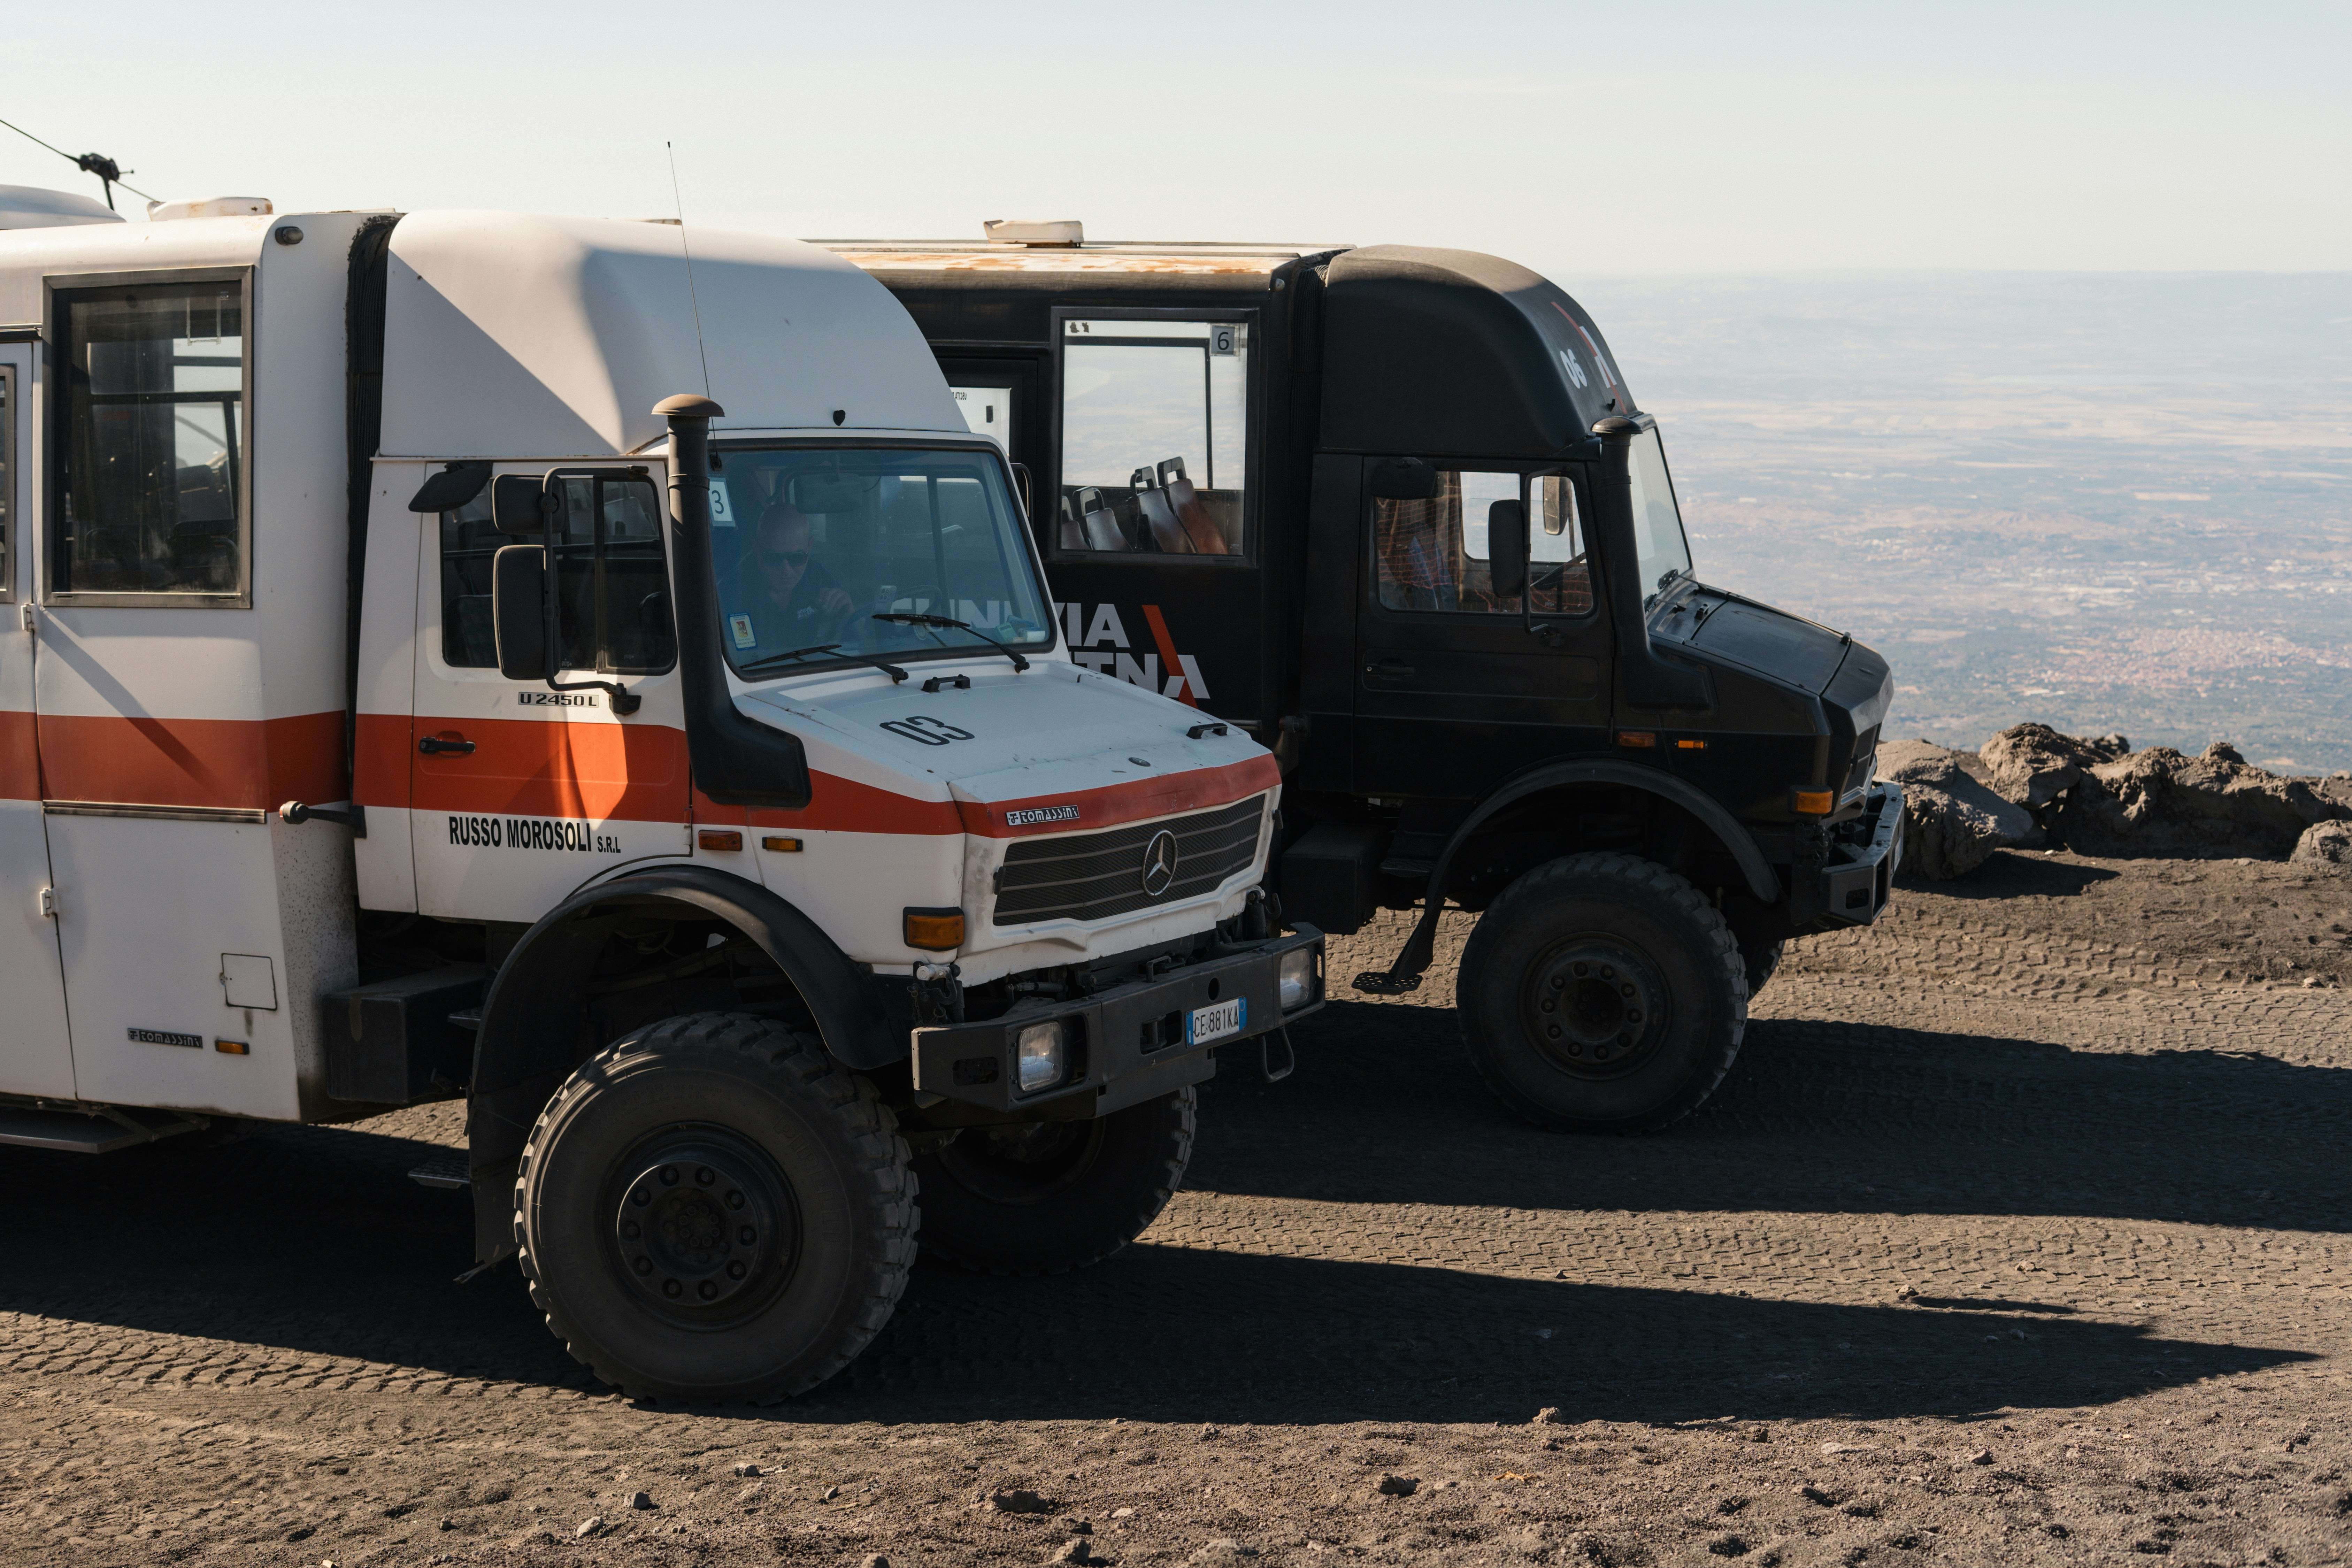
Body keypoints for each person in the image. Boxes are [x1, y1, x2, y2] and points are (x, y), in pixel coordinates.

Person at [729, 503, 855, 651]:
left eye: (797, 558)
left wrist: (849, 616)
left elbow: (857, 642)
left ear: (810, 546)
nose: (786, 571)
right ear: (756, 549)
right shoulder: (733, 591)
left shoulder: (818, 578)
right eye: (774, 558)